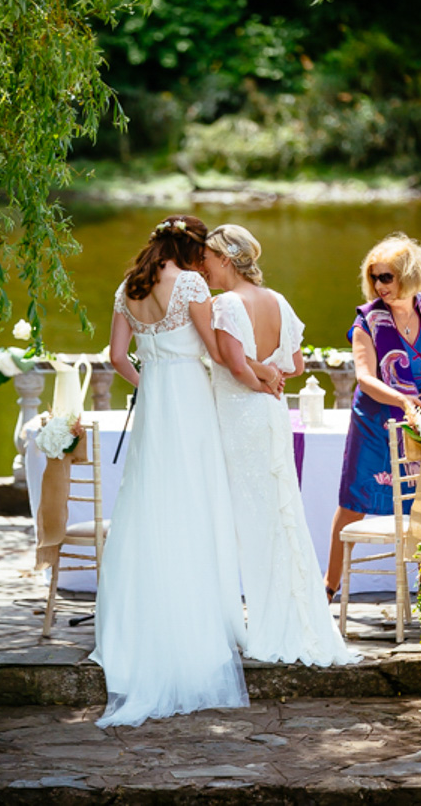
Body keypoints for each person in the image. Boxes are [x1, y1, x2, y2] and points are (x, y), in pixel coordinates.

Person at [90, 214, 260, 728]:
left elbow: (118, 356)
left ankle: (141, 619)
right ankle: (200, 617)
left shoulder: (128, 288)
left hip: (156, 400)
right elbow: (215, 350)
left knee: (149, 502)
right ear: (190, 249)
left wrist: (150, 378)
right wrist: (256, 371)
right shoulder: (188, 283)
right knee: (195, 499)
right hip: (188, 399)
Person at [205, 223, 357, 666]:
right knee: (277, 514)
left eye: (210, 258)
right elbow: (294, 363)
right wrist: (270, 375)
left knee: (249, 519)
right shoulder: (277, 301)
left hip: (240, 414)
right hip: (271, 412)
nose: (206, 267)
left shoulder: (226, 305)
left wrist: (255, 378)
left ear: (228, 260)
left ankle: (263, 620)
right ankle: (288, 615)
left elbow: (234, 367)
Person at [323, 232, 421, 602]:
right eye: (374, 277)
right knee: (354, 503)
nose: (378, 285)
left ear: (408, 274)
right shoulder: (368, 320)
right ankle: (328, 587)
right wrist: (405, 401)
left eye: (386, 277)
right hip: (377, 422)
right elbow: (365, 377)